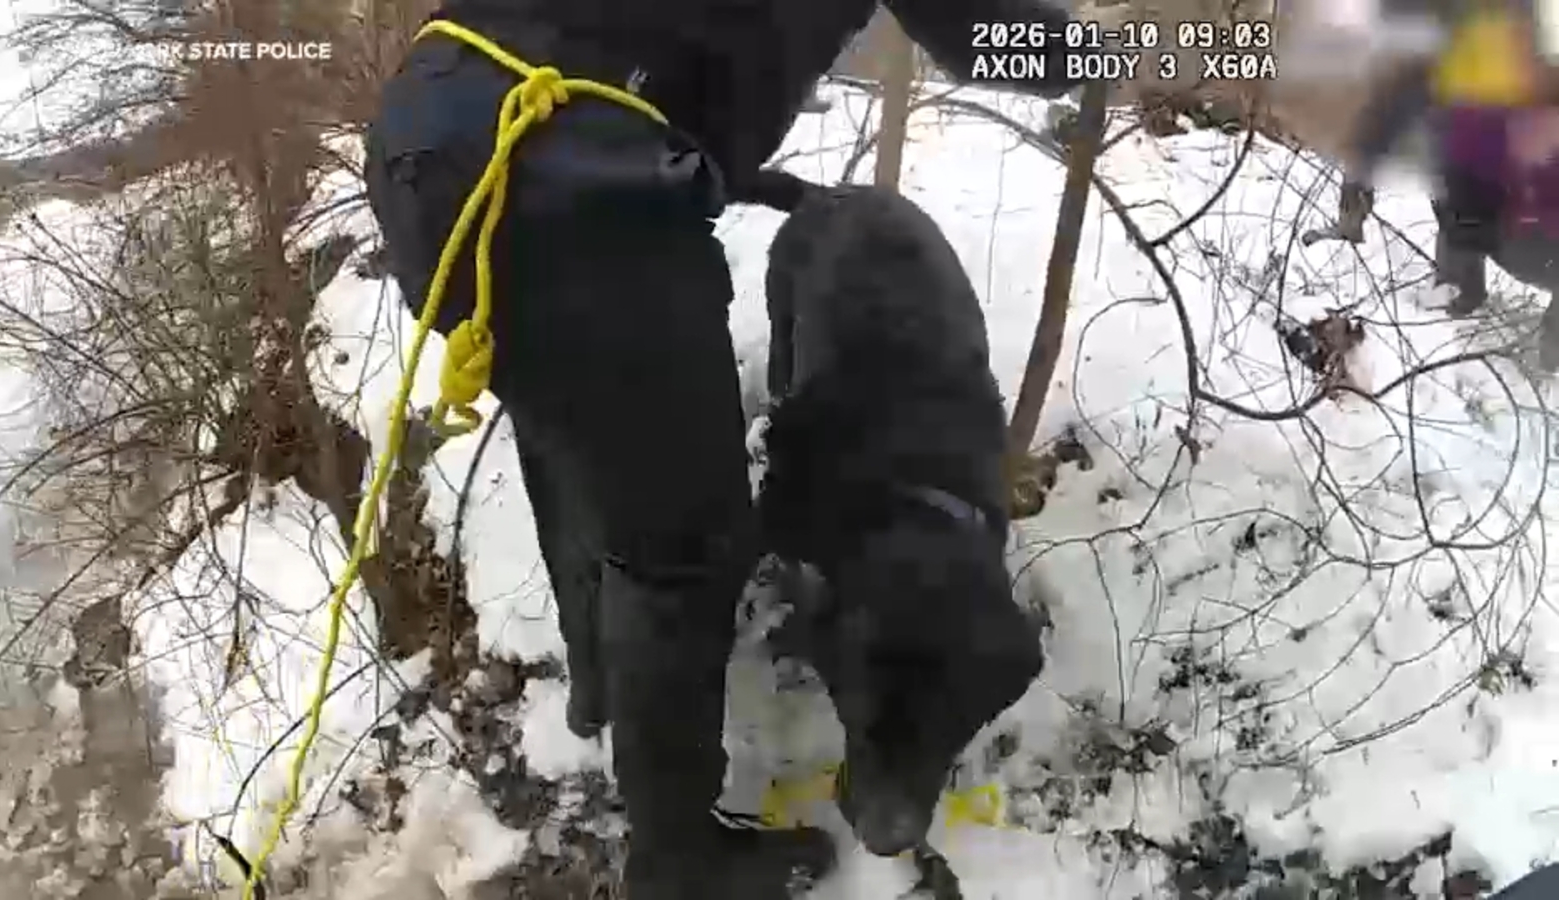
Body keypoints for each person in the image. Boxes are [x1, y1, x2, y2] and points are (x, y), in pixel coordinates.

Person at [363, 1, 1086, 895]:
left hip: (429, 137)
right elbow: (1002, 35)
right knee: (685, 552)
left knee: (578, 429)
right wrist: (1131, 45)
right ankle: (678, 866)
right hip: (573, 177)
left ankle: (599, 685)